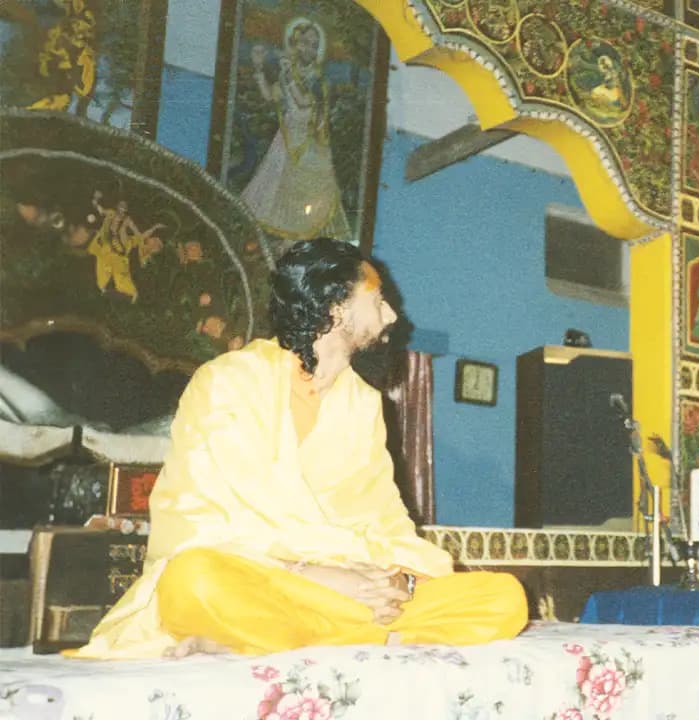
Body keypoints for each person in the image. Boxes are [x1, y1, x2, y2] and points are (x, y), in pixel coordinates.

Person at [72, 238, 527, 659]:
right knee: (195, 582)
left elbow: (384, 516)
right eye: (378, 300)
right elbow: (209, 518)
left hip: (344, 586)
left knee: (503, 599)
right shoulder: (229, 381)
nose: (391, 317)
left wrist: (399, 578)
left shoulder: (363, 403)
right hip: (270, 576)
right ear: (335, 307)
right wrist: (317, 574)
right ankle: (369, 638)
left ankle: (286, 638)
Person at [239, 17, 351, 243]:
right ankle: (283, 242)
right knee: (276, 189)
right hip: (287, 137)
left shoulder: (318, 79)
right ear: (294, 44)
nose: (309, 49)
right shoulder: (288, 72)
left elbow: (303, 102)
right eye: (305, 43)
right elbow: (271, 96)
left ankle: (299, 242)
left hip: (310, 143)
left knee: (305, 194)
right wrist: (259, 67)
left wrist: (288, 74)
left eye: (314, 45)